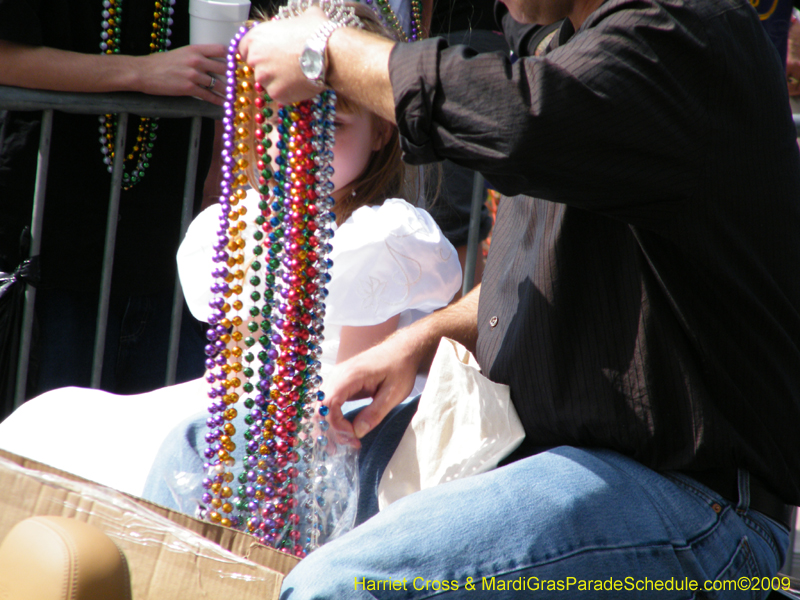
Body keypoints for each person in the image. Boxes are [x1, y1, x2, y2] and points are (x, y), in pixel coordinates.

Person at [235, 0, 800, 596]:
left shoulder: (683, 29)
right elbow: (532, 277)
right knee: (218, 455)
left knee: (339, 586)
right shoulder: (570, 46)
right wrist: (416, 343)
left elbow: (525, 119)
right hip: (534, 452)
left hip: (695, 503)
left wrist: (327, 50)